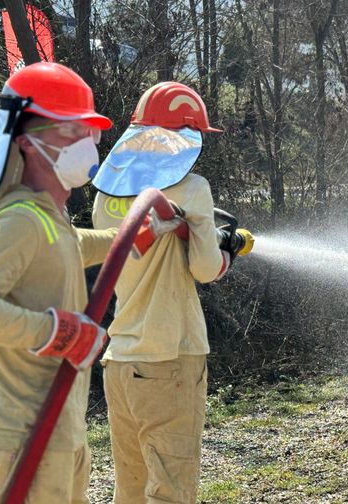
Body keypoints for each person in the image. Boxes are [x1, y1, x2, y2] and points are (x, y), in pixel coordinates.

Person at [0, 62, 177, 503]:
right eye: (72, 133)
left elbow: (72, 246)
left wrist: (133, 238)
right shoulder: (20, 222)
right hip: (25, 433)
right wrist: (56, 331)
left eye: (90, 134)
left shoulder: (49, 219)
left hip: (57, 427)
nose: (87, 145)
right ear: (29, 144)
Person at [90, 82, 229, 503]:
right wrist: (227, 250)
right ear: (184, 138)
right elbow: (206, 269)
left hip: (120, 362)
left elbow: (131, 247)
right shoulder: (191, 189)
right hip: (169, 359)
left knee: (130, 488)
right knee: (171, 491)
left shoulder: (106, 194)